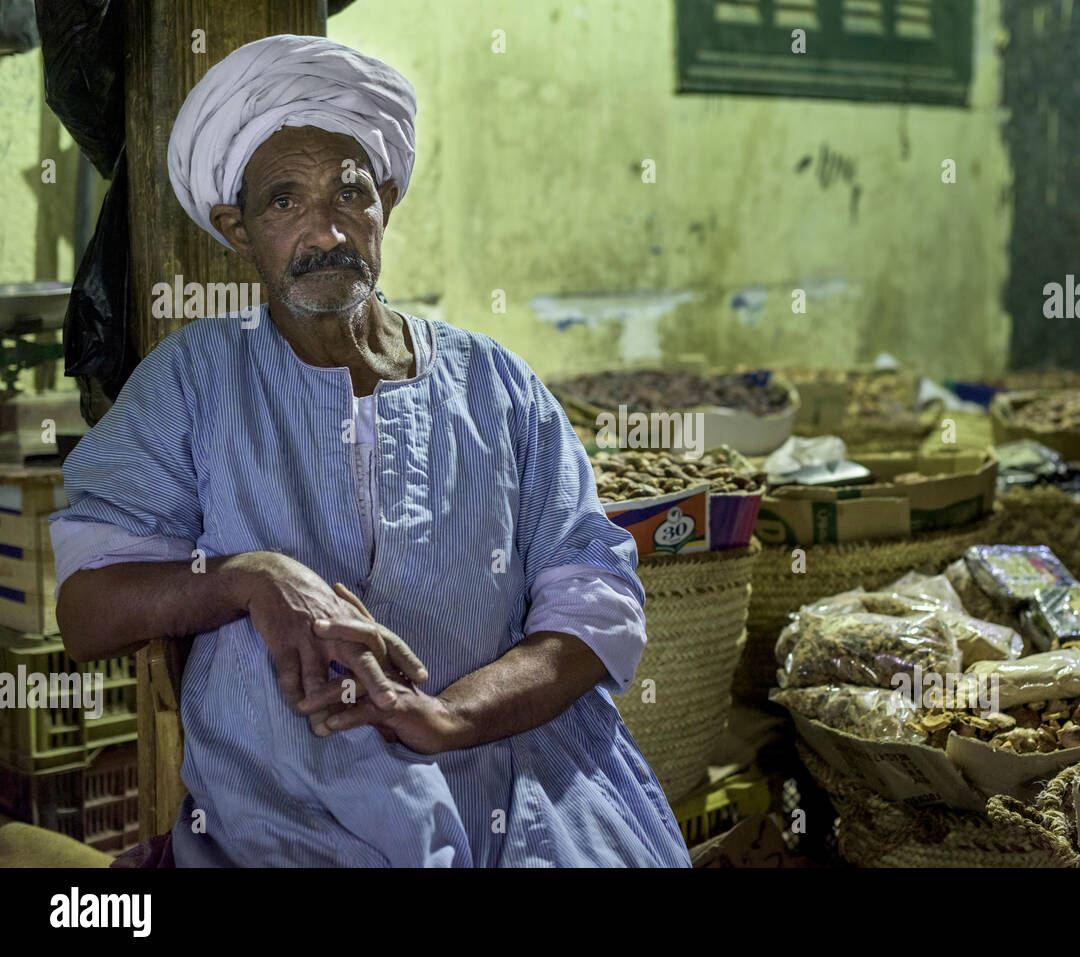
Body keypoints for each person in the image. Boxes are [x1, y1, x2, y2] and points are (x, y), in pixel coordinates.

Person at [50, 34, 689, 868]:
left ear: (385, 199)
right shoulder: (195, 381)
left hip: (517, 782)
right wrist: (247, 578)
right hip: (292, 809)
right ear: (236, 228)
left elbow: (596, 604)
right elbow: (87, 610)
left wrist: (455, 716)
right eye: (285, 202)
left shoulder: (498, 385)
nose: (325, 230)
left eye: (350, 192)